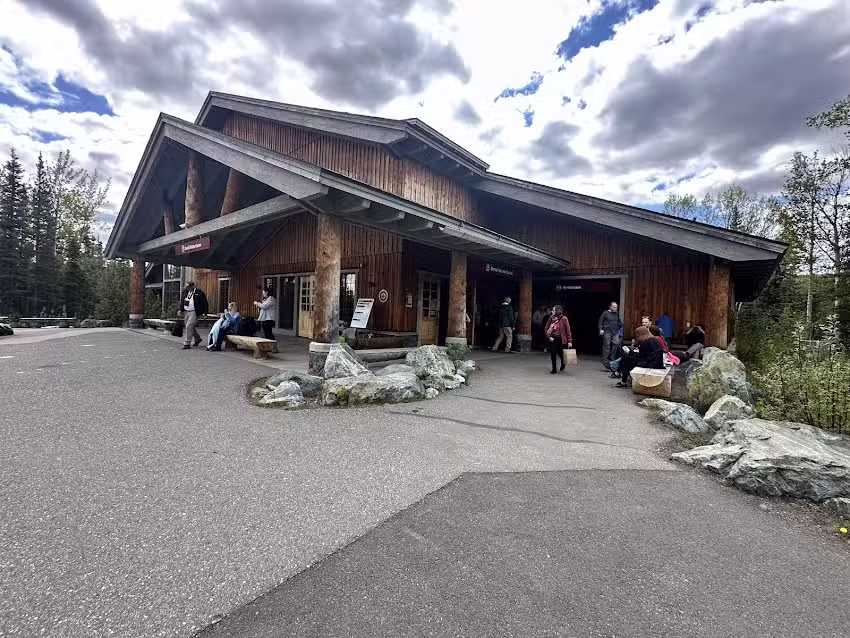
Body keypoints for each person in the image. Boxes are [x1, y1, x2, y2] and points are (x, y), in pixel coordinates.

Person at [180, 282, 209, 350]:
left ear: (193, 286)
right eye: (187, 287)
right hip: (186, 311)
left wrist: (205, 313)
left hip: (194, 312)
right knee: (190, 327)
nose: (188, 289)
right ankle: (197, 339)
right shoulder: (185, 292)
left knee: (189, 326)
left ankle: (187, 343)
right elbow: (182, 301)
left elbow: (205, 303)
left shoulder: (199, 293)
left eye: (189, 287)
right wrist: (180, 309)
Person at [545, 305, 572, 374]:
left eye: (553, 310)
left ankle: (563, 363)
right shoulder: (551, 318)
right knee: (553, 353)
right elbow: (546, 328)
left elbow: (568, 330)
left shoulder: (564, 319)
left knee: (561, 353)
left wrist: (569, 341)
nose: (552, 311)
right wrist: (549, 337)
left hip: (561, 339)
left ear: (558, 311)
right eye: (552, 310)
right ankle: (554, 369)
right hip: (553, 338)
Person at [598, 301, 623, 370]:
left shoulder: (616, 313)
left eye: (616, 307)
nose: (616, 308)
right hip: (607, 331)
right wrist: (601, 329)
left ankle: (612, 356)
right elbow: (600, 321)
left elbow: (618, 321)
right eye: (614, 307)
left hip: (615, 331)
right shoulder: (605, 313)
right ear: (610, 307)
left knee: (616, 343)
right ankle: (605, 359)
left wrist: (620, 326)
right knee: (607, 345)